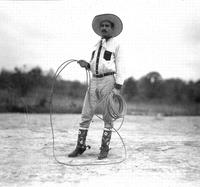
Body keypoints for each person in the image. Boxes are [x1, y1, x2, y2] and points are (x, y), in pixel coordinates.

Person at [68, 13, 125, 160]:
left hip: (108, 80)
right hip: (94, 80)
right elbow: (94, 65)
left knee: (108, 115)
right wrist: (86, 65)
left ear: (112, 29)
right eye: (102, 26)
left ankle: (104, 148)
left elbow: (120, 66)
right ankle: (80, 146)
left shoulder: (116, 45)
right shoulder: (95, 45)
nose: (104, 28)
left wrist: (118, 86)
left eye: (107, 26)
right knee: (86, 113)